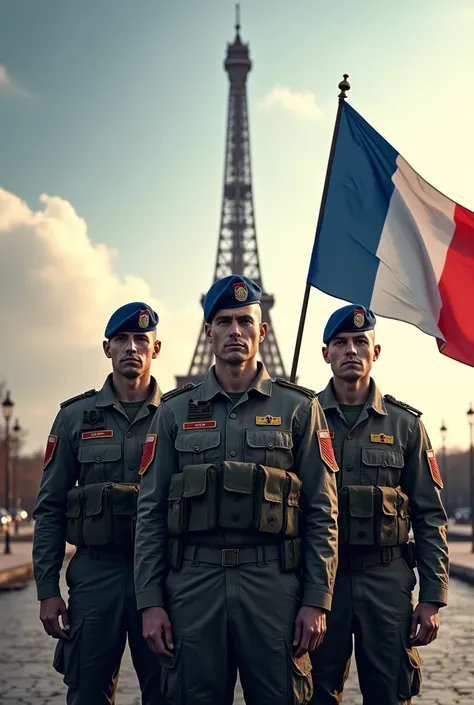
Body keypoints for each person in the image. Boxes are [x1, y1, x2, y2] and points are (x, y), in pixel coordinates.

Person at [133, 274, 340, 705]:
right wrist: (150, 601)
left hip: (274, 589)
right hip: (194, 587)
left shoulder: (300, 408)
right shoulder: (172, 413)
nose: (235, 331)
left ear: (262, 331)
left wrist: (317, 598)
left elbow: (322, 509)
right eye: (223, 321)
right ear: (208, 330)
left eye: (245, 321)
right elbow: (150, 512)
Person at [309, 304, 449, 705]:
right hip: (322, 583)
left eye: (360, 342)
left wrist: (432, 596)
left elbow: (429, 514)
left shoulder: (405, 425)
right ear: (326, 353)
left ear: (376, 352)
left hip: (386, 579)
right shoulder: (303, 418)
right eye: (341, 343)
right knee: (314, 690)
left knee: (390, 691)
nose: (351, 350)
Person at [32, 302, 166, 705]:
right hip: (96, 576)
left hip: (162, 576)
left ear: (156, 349)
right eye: (122, 339)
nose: (132, 347)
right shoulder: (74, 418)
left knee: (167, 691)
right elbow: (51, 507)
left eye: (141, 339)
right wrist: (46, 588)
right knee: (87, 691)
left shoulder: (180, 414)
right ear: (106, 348)